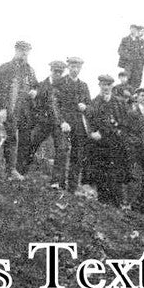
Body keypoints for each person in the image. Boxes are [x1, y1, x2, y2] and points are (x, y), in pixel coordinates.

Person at [0, 41, 38, 180]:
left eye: (26, 51)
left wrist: (35, 91)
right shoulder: (6, 68)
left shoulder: (30, 70)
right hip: (10, 109)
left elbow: (36, 85)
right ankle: (7, 168)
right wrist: (2, 109)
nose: (24, 53)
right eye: (21, 50)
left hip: (24, 111)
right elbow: (0, 90)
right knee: (9, 138)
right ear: (16, 50)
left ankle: (15, 169)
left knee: (23, 141)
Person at [86, 74, 129, 206]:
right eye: (103, 85)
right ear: (99, 85)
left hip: (115, 143)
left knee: (115, 172)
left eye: (109, 85)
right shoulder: (94, 102)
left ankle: (117, 202)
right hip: (100, 144)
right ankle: (103, 201)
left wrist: (119, 130)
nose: (106, 88)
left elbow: (124, 121)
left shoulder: (119, 102)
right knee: (101, 171)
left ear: (112, 86)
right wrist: (93, 133)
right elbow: (91, 122)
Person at [55, 56, 91, 190]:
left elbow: (90, 105)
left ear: (81, 68)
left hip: (79, 124)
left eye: (78, 67)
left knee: (77, 154)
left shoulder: (84, 86)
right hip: (64, 122)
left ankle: (72, 186)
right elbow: (55, 105)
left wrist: (85, 107)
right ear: (68, 67)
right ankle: (59, 182)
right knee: (62, 151)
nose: (75, 69)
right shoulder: (60, 82)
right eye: (72, 66)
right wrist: (62, 122)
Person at [117, 24, 144, 89]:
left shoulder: (141, 41)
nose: (134, 31)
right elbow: (120, 50)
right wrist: (128, 57)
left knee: (136, 81)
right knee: (126, 79)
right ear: (130, 29)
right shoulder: (125, 39)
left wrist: (142, 58)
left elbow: (143, 54)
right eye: (132, 29)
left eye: (135, 29)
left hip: (138, 66)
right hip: (128, 64)